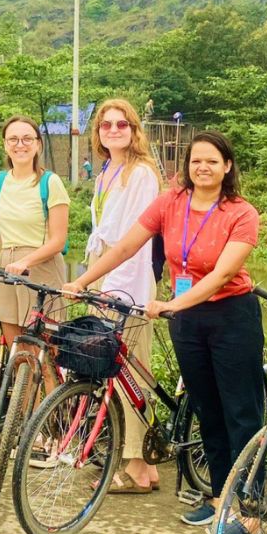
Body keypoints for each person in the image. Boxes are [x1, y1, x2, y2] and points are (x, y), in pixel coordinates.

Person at [67, 131, 263, 534]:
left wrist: (174, 304)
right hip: (186, 320)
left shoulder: (241, 213)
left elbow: (223, 274)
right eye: (196, 161)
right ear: (186, 167)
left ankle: (249, 514)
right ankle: (217, 498)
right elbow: (125, 247)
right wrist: (82, 281)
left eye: (212, 161)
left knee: (240, 413)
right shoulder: (170, 203)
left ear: (227, 166)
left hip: (231, 316)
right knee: (207, 409)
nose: (203, 168)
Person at [81, 98, 163, 492]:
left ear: (134, 130)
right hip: (105, 268)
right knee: (118, 368)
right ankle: (145, 464)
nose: (113, 130)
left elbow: (135, 239)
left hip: (127, 275)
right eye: (106, 124)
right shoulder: (107, 171)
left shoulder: (141, 173)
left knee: (130, 369)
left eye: (121, 124)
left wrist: (111, 286)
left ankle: (136, 467)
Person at [0, 116, 69, 414]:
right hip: (7, 267)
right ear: (5, 145)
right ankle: (25, 425)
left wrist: (25, 261)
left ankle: (54, 427)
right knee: (19, 354)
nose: (20, 145)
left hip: (41, 268)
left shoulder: (50, 183)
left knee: (45, 355)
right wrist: (11, 261)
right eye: (13, 139)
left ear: (38, 145)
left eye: (27, 139)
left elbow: (58, 240)